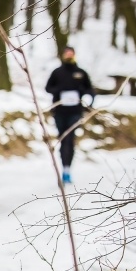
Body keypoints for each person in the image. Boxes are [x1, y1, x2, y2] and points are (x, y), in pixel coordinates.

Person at [44, 45, 95, 184]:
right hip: (60, 112)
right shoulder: (57, 72)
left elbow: (90, 90)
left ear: (74, 55)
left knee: (70, 139)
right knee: (62, 139)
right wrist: (58, 90)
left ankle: (67, 170)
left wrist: (87, 100)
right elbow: (48, 88)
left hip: (75, 112)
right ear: (62, 55)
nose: (68, 56)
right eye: (66, 53)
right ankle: (64, 167)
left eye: (70, 53)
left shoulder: (81, 73)